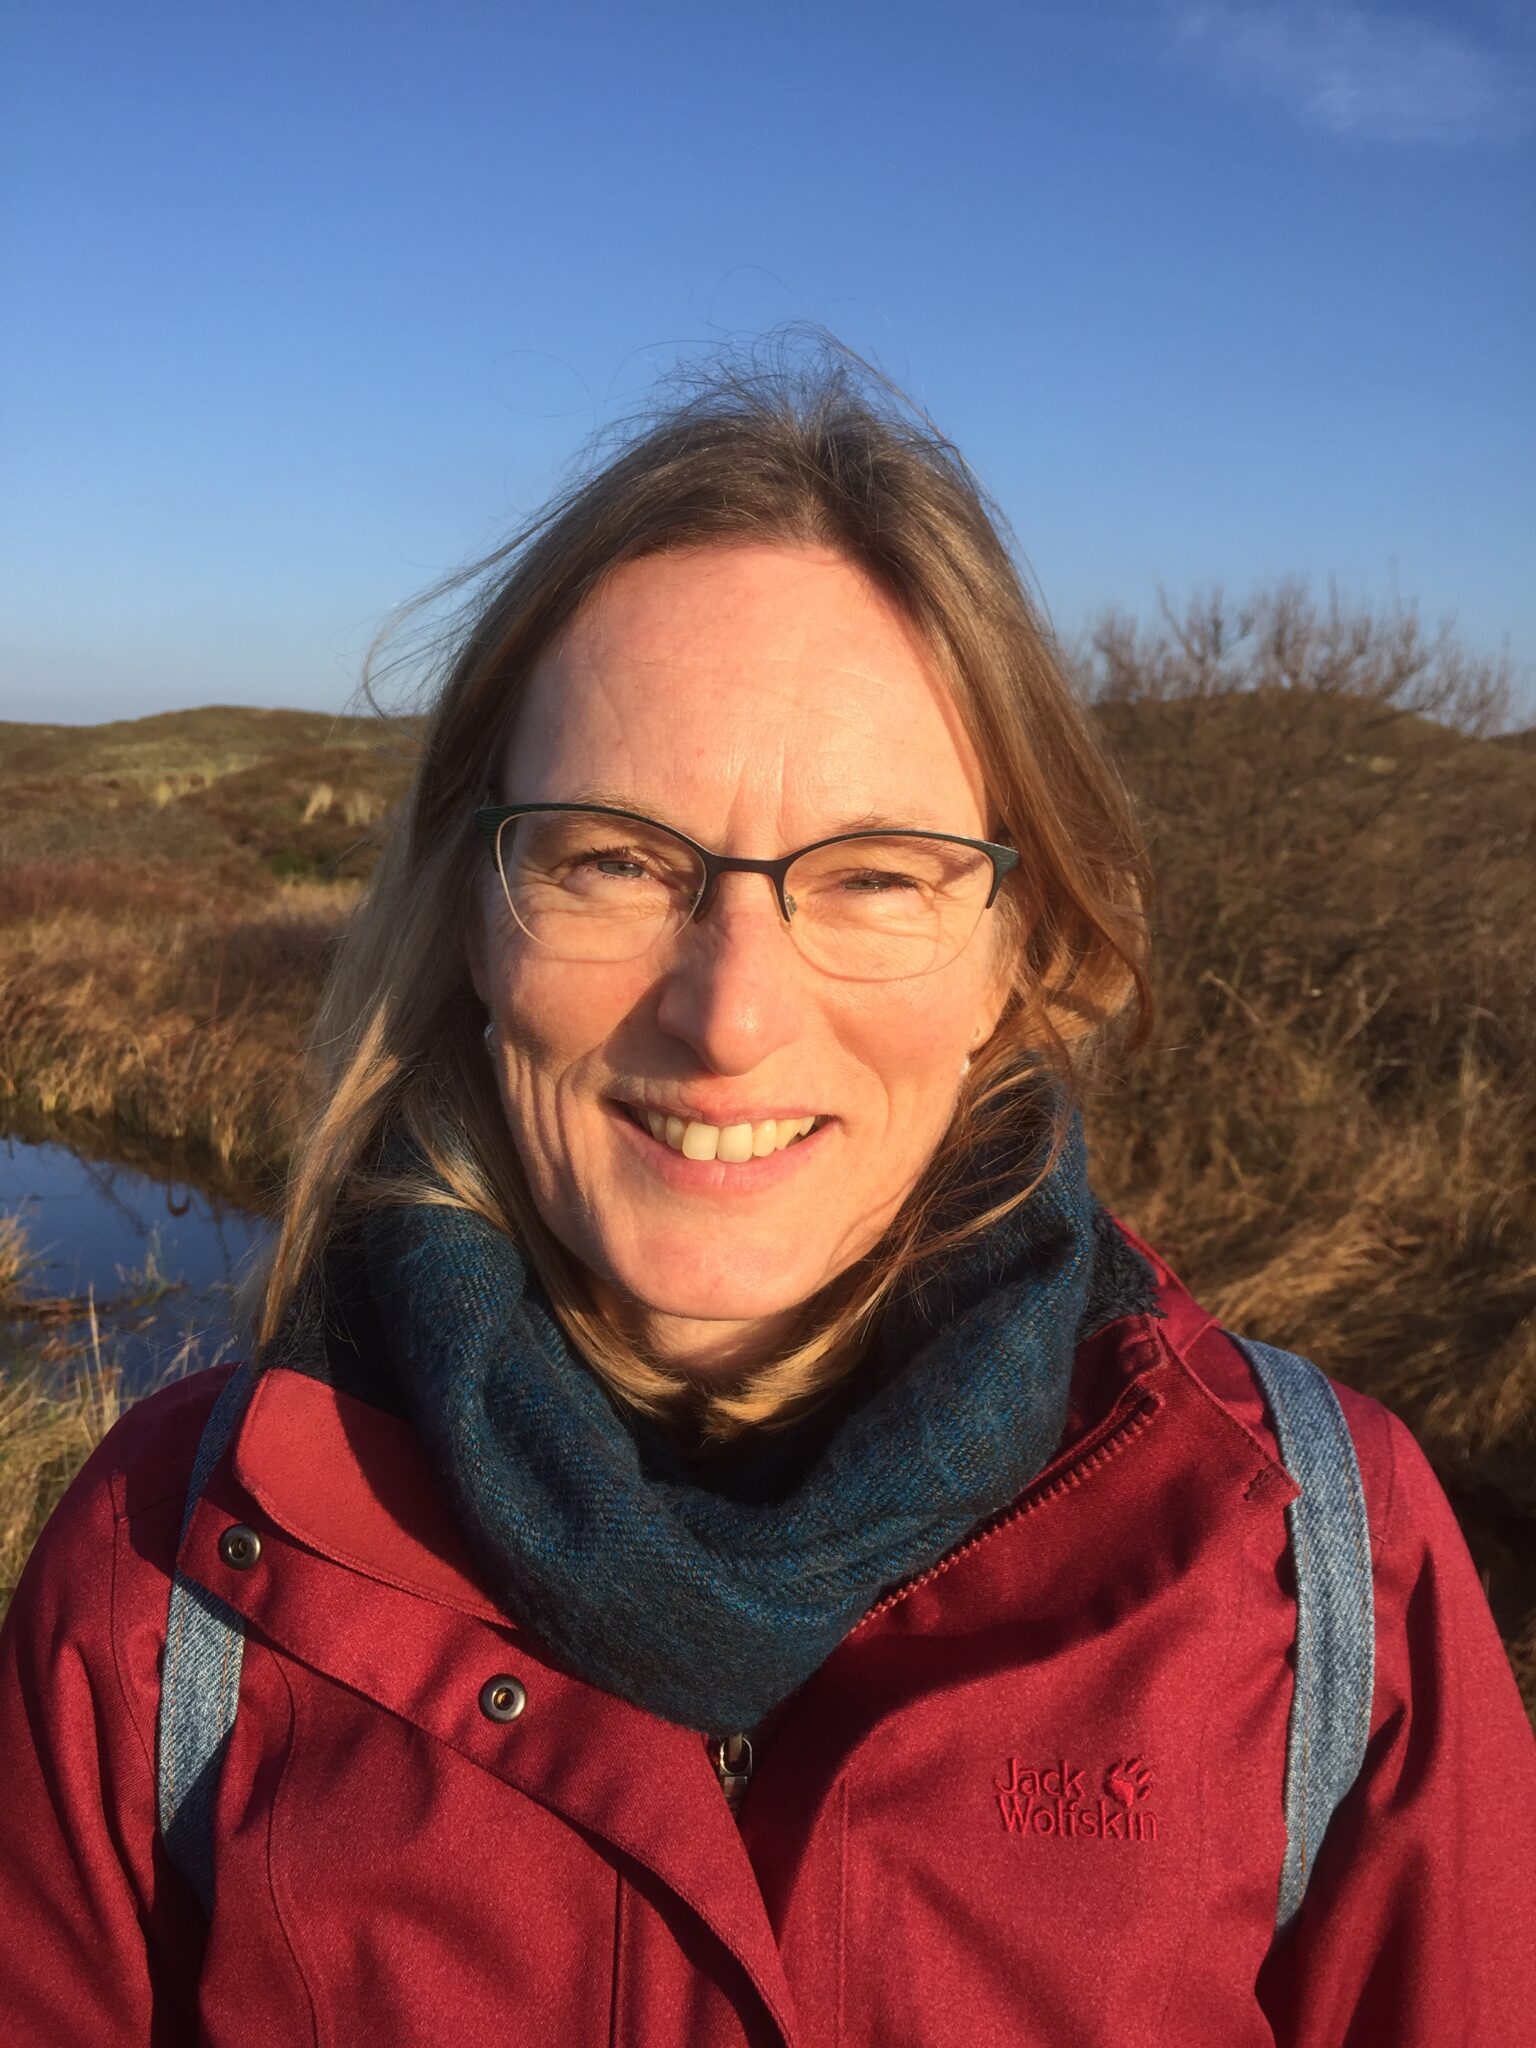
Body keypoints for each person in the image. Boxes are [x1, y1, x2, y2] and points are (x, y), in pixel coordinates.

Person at [1, 349, 1531, 2047]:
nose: (730, 1016)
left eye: (876, 875)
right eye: (613, 860)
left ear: (1024, 961)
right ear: (474, 922)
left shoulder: (1325, 1571)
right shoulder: (167, 1582)